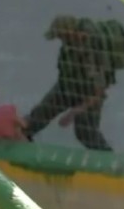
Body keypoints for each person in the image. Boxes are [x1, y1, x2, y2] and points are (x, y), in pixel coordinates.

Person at [23, 16, 115, 151]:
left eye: (62, 35)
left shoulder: (92, 54)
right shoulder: (69, 47)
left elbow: (98, 93)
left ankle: (107, 160)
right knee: (38, 116)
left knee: (86, 134)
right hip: (66, 87)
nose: (61, 39)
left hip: (88, 96)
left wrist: (73, 113)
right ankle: (20, 139)